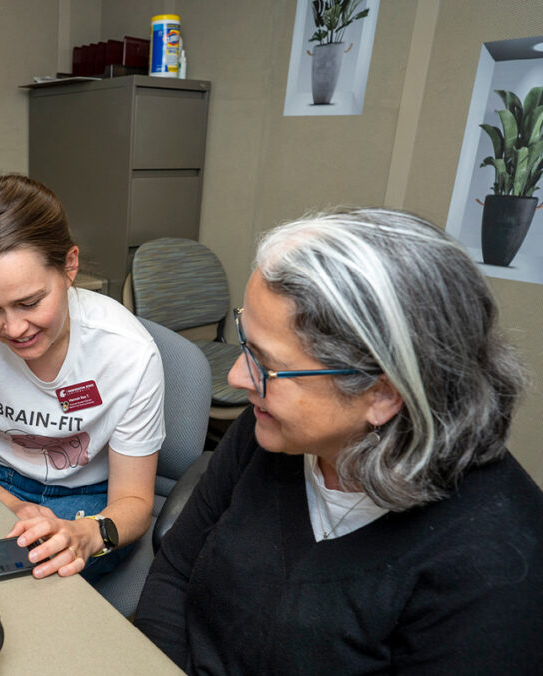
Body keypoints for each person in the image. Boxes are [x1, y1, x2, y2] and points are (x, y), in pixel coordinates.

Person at [134, 207, 543, 673]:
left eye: (267, 364)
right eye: (246, 343)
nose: (237, 377)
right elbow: (175, 573)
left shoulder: (499, 564)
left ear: (383, 393)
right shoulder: (270, 430)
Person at [0, 173, 165, 583]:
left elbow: (135, 503)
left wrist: (85, 535)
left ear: (70, 266)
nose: (14, 328)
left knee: (31, 582)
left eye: (30, 302)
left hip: (92, 500)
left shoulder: (128, 353)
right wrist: (10, 505)